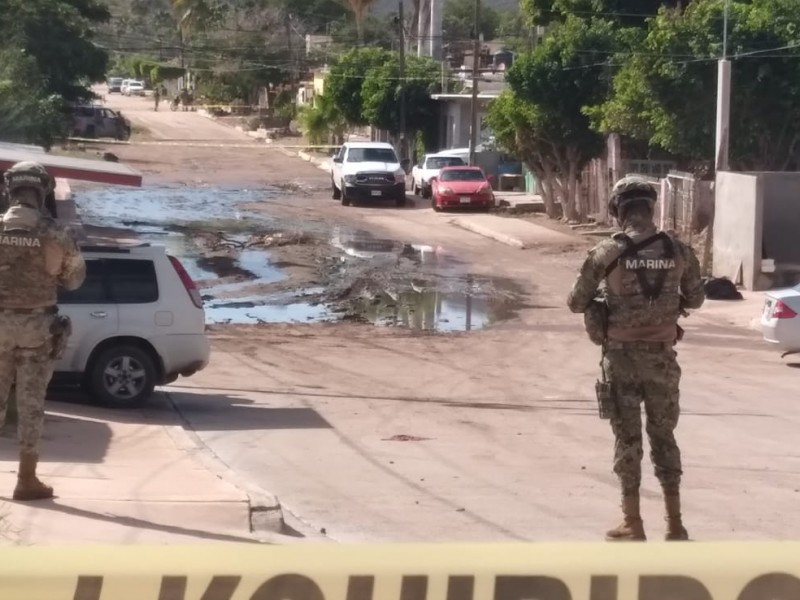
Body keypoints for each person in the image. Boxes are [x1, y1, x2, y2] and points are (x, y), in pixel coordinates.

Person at [566, 174, 705, 542]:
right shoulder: (678, 250)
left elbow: (575, 302)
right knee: (664, 435)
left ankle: (633, 521)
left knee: (627, 438)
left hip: (621, 361)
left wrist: (605, 299)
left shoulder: (606, 253)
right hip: (662, 360)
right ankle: (675, 524)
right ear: (650, 207)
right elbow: (695, 299)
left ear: (618, 211)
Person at [0, 161, 86, 501]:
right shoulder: (56, 235)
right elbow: (74, 280)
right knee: (31, 404)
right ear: (43, 191)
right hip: (37, 330)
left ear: (11, 190)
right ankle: (26, 480)